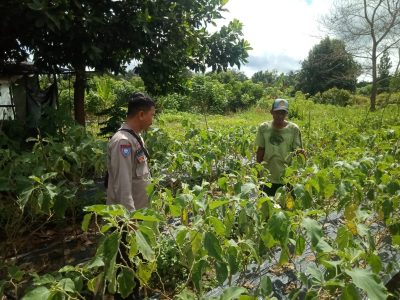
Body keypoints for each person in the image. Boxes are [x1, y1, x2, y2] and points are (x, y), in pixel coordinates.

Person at [106, 92, 155, 211]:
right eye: (152, 115)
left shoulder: (135, 137)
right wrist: (130, 219)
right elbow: (123, 185)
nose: (152, 120)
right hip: (129, 220)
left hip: (140, 213)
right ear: (141, 115)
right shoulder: (123, 142)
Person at [255, 98, 306, 196]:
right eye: (277, 112)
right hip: (267, 176)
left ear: (287, 114)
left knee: (287, 207)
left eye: (283, 113)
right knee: (266, 206)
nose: (280, 116)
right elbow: (261, 150)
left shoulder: (293, 129)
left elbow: (298, 152)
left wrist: (302, 159)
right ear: (271, 112)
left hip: (287, 177)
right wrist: (258, 172)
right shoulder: (264, 128)